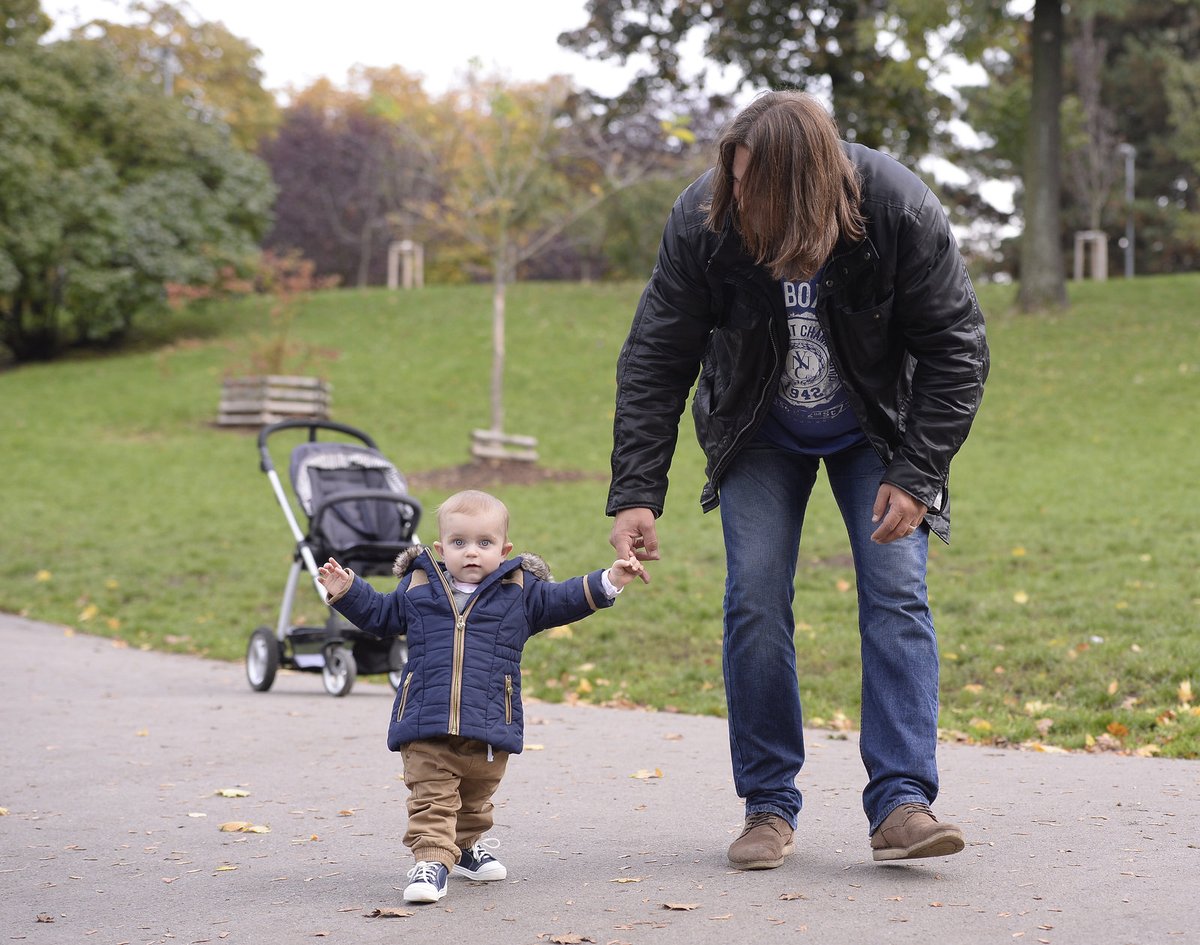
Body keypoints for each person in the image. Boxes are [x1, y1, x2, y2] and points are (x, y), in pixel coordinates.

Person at [607, 91, 989, 869]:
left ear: (809, 183)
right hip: (759, 429)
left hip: (876, 429)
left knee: (895, 590)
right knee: (753, 596)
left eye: (757, 187)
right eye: (735, 181)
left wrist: (916, 475)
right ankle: (767, 806)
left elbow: (958, 348)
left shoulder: (895, 208)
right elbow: (656, 356)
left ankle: (902, 804)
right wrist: (638, 488)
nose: (739, 198)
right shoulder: (706, 220)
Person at [318, 489, 644, 903]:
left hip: (489, 721)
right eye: (459, 543)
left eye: (484, 543)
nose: (471, 553)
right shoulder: (418, 587)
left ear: (504, 549)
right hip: (425, 719)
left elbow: (566, 599)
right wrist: (347, 590)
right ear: (439, 549)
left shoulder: (521, 592)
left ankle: (466, 847)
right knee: (433, 796)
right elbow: (380, 615)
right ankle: (431, 861)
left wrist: (610, 580)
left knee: (475, 795)